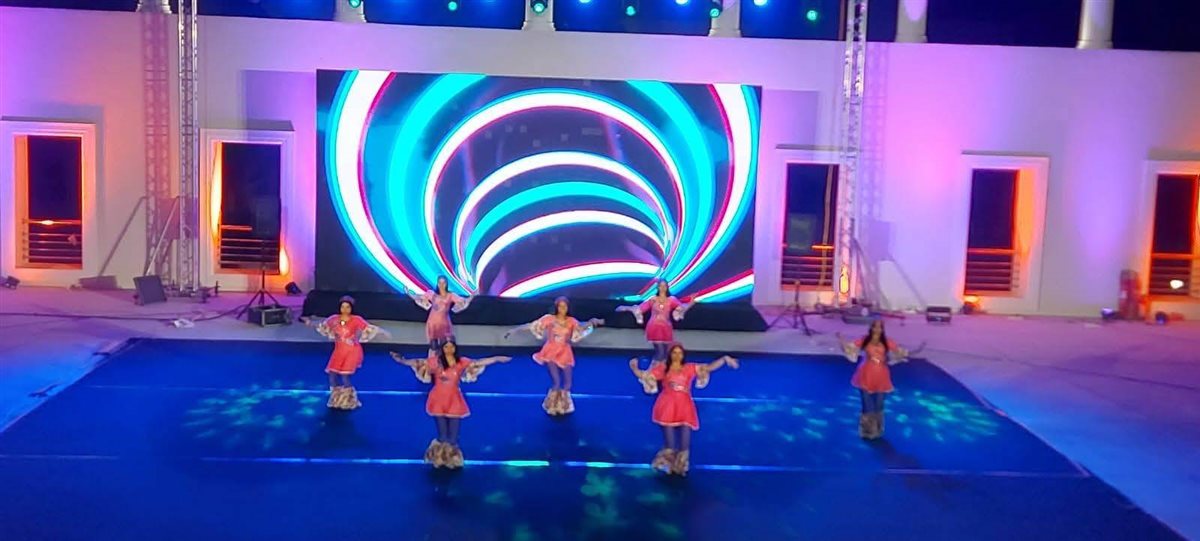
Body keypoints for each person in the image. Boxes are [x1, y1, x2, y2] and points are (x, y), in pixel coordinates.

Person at [392, 340, 511, 469]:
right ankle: (439, 458)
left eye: (451, 347)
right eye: (446, 347)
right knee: (442, 436)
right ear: (442, 349)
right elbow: (417, 363)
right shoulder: (435, 362)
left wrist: (496, 359)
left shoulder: (461, 362)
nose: (449, 349)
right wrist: (402, 361)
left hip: (454, 400)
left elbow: (478, 363)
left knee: (453, 437)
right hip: (437, 400)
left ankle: (451, 459)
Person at [629, 344, 738, 476]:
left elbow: (708, 368)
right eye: (674, 353)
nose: (677, 355)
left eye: (679, 353)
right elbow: (645, 375)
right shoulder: (663, 368)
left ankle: (680, 465)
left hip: (685, 407)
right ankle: (668, 464)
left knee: (685, 441)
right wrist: (634, 367)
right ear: (670, 355)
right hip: (667, 406)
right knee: (670, 443)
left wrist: (725, 359)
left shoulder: (689, 368)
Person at [503, 296, 603, 415]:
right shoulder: (549, 319)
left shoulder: (571, 321)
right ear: (556, 307)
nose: (562, 308)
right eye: (560, 306)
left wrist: (592, 322)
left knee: (568, 383)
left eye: (565, 306)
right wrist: (514, 330)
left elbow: (581, 327)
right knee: (556, 381)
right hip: (550, 352)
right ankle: (552, 406)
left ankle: (563, 406)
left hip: (565, 352)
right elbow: (531, 325)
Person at [836, 319, 920, 439]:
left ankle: (878, 430)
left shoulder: (887, 341)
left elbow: (900, 352)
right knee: (867, 404)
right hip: (865, 374)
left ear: (882, 329)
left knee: (879, 405)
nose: (877, 329)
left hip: (881, 376)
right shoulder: (864, 339)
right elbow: (849, 348)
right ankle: (867, 431)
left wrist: (918, 349)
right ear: (871, 328)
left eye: (880, 327)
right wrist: (840, 339)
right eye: (875, 327)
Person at [309, 296, 388, 410]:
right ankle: (336, 398)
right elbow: (322, 325)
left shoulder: (356, 319)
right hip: (339, 351)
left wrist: (383, 332)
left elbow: (368, 328)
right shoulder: (333, 319)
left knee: (345, 376)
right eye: (343, 307)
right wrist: (310, 322)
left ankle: (349, 400)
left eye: (348, 307)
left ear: (351, 308)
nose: (345, 309)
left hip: (352, 350)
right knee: (332, 374)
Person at [616, 279, 692, 362]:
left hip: (666, 328)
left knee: (666, 353)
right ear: (657, 287)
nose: (662, 288)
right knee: (660, 352)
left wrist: (691, 303)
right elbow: (640, 309)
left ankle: (662, 369)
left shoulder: (671, 300)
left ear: (667, 287)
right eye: (660, 286)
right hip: (654, 327)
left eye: (664, 286)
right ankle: (653, 368)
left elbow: (682, 308)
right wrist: (626, 308)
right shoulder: (653, 299)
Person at [407, 276, 473, 349]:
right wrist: (409, 293)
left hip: (444, 323)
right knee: (433, 346)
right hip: (432, 323)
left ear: (446, 284)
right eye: (440, 283)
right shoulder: (431, 294)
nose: (442, 285)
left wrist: (473, 295)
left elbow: (463, 301)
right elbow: (419, 298)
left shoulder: (451, 295)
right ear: (437, 284)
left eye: (444, 283)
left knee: (445, 346)